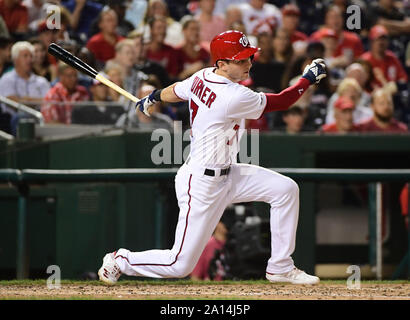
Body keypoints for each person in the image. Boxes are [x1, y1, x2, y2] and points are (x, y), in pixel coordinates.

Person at [98, 30, 327, 285]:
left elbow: (177, 90)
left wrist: (153, 96)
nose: (248, 63)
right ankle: (120, 260)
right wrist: (307, 78)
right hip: (202, 183)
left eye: (249, 57)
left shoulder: (203, 76)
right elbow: (283, 101)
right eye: (240, 60)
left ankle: (281, 267)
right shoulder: (232, 95)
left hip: (229, 173)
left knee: (285, 189)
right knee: (179, 265)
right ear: (221, 64)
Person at [360, 25, 408, 89]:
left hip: (390, 94)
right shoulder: (364, 60)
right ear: (371, 42)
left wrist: (394, 85)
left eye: (384, 39)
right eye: (378, 39)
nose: (381, 42)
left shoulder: (392, 58)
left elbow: (403, 78)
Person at [175, 16, 210, 81]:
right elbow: (171, 79)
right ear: (184, 31)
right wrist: (189, 71)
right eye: (192, 29)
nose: (195, 32)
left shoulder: (204, 52)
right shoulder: (176, 52)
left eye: (197, 29)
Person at [145, 15, 179, 80]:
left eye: (164, 28)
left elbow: (172, 76)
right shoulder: (143, 50)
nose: (162, 31)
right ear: (151, 30)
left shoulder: (171, 51)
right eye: (159, 28)